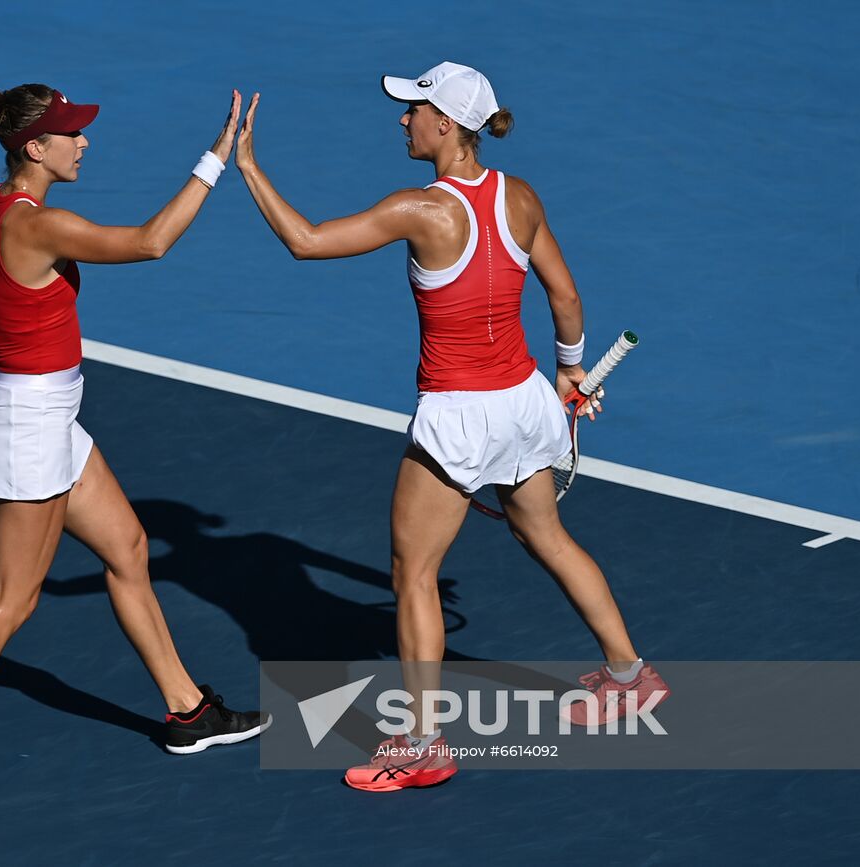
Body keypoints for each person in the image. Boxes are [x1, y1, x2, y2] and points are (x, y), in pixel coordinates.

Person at [233, 62, 666, 792]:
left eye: (414, 111)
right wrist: (569, 373)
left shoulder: (421, 210)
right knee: (547, 537)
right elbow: (565, 293)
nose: (402, 120)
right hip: (525, 405)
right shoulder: (519, 196)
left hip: (460, 419)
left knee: (414, 572)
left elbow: (305, 241)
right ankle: (631, 675)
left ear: (447, 124)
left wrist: (246, 165)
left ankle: (423, 742)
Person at [0, 83, 265, 818]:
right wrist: (217, 158)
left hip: (41, 415)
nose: (85, 143)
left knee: (128, 547)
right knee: (9, 602)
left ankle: (188, 711)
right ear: (34, 147)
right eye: (71, 135)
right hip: (30, 425)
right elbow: (151, 242)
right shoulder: (36, 226)